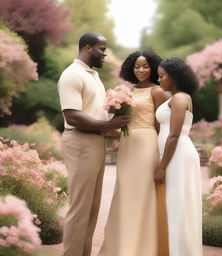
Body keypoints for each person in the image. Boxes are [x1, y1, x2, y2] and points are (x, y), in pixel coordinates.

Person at [57, 31, 130, 256]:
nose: (105, 54)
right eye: (102, 49)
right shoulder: (71, 75)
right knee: (80, 209)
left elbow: (97, 115)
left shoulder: (93, 76)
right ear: (88, 48)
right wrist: (109, 125)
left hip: (96, 142)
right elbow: (73, 116)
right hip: (80, 142)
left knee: (91, 209)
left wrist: (127, 132)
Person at [98, 50, 170, 256]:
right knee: (125, 194)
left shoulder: (157, 91)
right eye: (137, 66)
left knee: (143, 194)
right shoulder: (129, 91)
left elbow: (161, 126)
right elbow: (119, 125)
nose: (140, 70)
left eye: (145, 66)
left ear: (154, 68)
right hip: (127, 145)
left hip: (147, 145)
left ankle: (143, 249)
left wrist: (163, 158)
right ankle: (122, 247)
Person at [155, 57, 202, 256]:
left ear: (173, 76)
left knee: (179, 205)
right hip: (174, 155)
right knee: (176, 205)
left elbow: (173, 135)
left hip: (178, 156)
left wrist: (162, 166)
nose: (159, 80)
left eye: (161, 76)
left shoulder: (180, 98)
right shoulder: (174, 97)